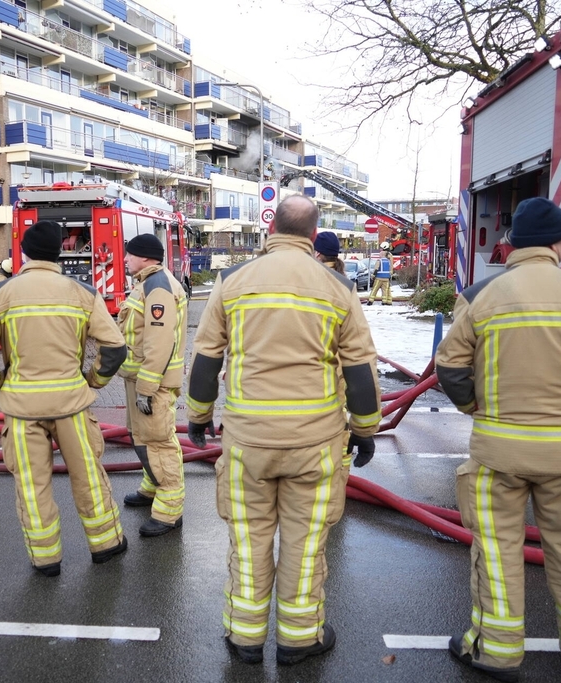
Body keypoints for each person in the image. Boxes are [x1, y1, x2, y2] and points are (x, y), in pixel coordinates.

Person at [435, 197, 561, 683]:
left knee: (497, 554)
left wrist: (474, 407)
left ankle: (497, 654)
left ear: (512, 245)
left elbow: (450, 365)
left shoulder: (482, 295)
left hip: (496, 455)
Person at [186, 195, 381, 666]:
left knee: (249, 539)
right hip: (315, 446)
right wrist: (366, 429)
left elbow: (206, 359)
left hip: (248, 442)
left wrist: (198, 417)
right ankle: (299, 638)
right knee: (306, 541)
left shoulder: (231, 282)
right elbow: (359, 369)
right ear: (314, 236)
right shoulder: (336, 287)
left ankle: (246, 638)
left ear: (271, 228)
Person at [0, 221, 129, 577]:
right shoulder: (84, 294)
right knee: (89, 477)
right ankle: (107, 545)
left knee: (32, 486)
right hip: (72, 407)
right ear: (60, 254)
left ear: (24, 253)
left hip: (22, 411)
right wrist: (93, 380)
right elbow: (115, 347)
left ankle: (46, 559)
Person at [116, 233, 189, 537]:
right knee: (142, 437)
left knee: (158, 442)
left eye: (129, 255)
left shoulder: (157, 288)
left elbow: (158, 344)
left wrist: (146, 387)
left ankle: (169, 511)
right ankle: (152, 486)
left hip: (153, 384)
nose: (125, 259)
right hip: (141, 379)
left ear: (144, 257)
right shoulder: (148, 284)